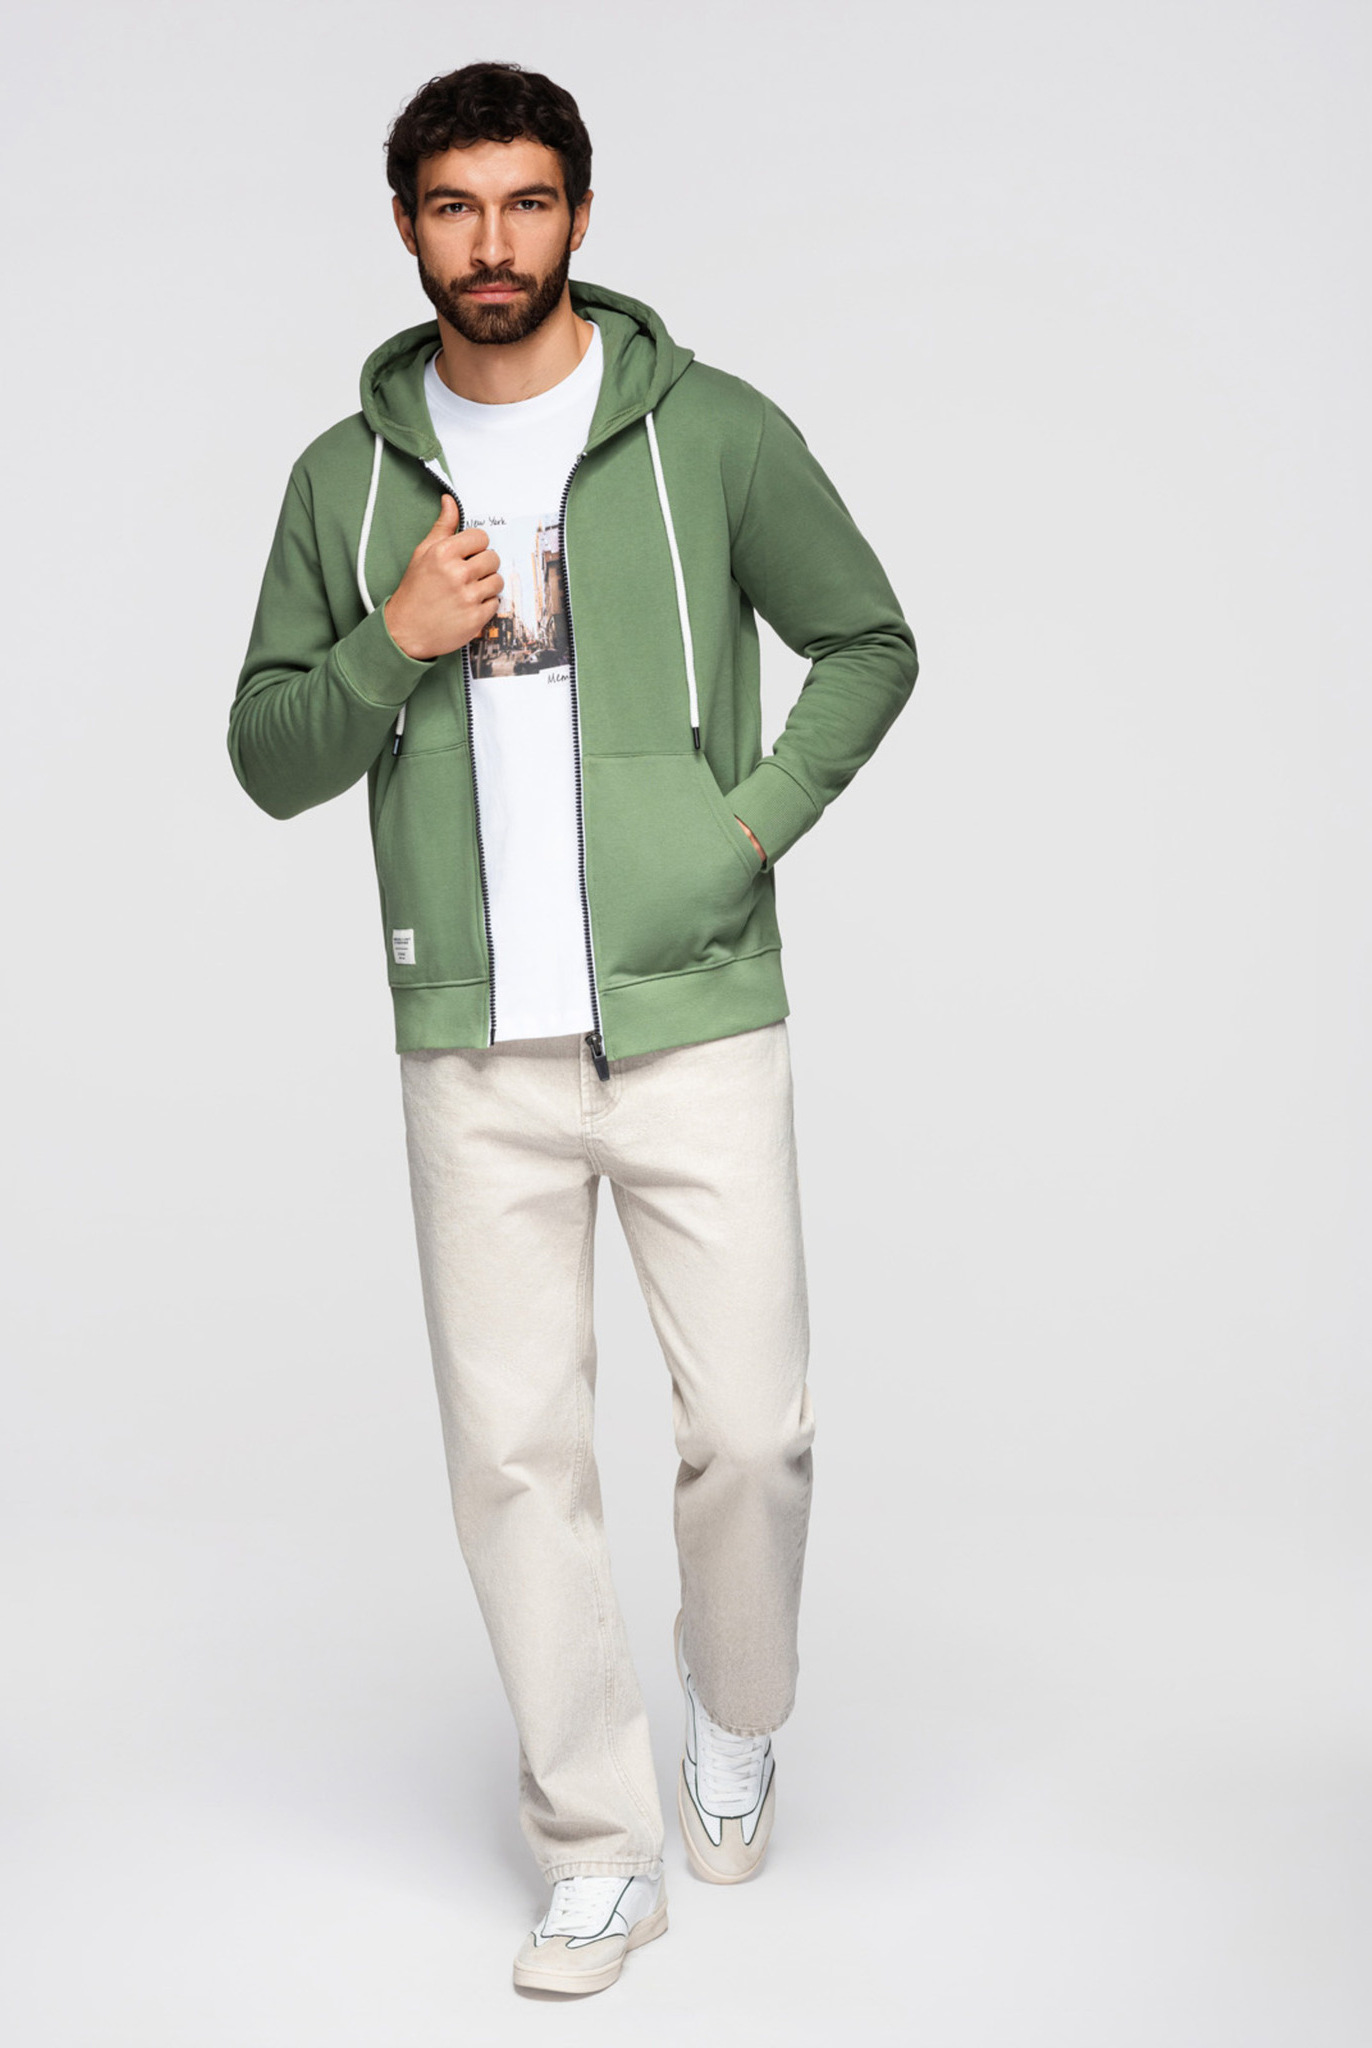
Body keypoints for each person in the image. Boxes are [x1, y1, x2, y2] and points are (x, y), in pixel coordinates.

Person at [227, 60, 919, 1996]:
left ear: (582, 217)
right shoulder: (344, 481)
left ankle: (737, 1707)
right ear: (405, 227)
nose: (493, 242)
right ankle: (598, 1847)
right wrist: (392, 642)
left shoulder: (711, 431)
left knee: (753, 1437)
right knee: (516, 1459)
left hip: (694, 1017)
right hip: (473, 1047)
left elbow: (868, 639)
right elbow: (269, 753)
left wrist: (740, 833)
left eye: (527, 201)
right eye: (455, 205)